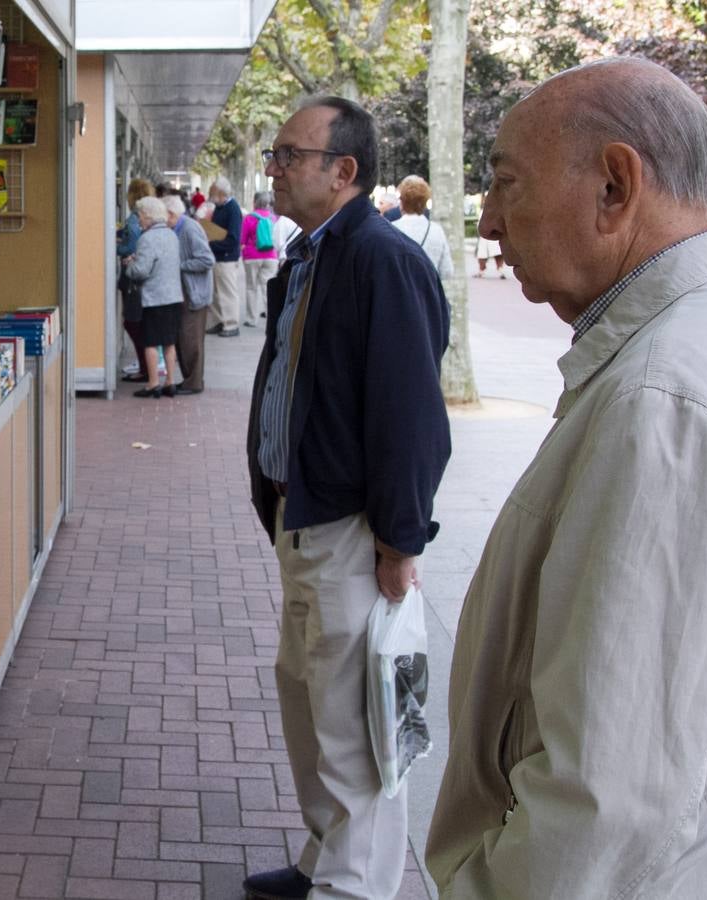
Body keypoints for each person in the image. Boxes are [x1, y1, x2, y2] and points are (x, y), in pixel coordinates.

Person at [426, 58, 707, 898]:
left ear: (616, 185)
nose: (489, 219)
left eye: (506, 181)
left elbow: (604, 796)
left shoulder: (668, 395)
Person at [243, 96, 450, 900]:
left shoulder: (381, 260)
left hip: (350, 530)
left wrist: (401, 541)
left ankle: (352, 887)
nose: (275, 168)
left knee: (350, 725)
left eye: (290, 154)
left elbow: (410, 417)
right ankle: (323, 861)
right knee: (308, 698)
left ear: (344, 171)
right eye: (276, 152)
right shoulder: (312, 255)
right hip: (305, 515)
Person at [120, 196, 182, 398]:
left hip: (155, 298)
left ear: (148, 215)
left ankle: (153, 383)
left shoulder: (146, 238)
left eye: (140, 216)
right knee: (169, 342)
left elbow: (141, 271)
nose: (139, 220)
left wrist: (129, 264)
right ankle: (170, 382)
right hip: (173, 296)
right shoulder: (171, 235)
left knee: (151, 342)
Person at [165, 194, 213, 395]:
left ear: (171, 214)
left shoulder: (189, 229)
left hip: (195, 293)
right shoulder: (178, 228)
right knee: (183, 337)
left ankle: (193, 382)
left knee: (191, 340)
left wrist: (180, 266)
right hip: (184, 292)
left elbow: (206, 259)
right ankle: (188, 380)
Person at [116, 177, 155, 383]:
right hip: (144, 277)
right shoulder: (148, 218)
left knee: (132, 323)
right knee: (138, 322)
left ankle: (145, 368)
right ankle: (146, 367)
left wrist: (112, 244)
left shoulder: (133, 219)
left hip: (131, 278)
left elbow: (129, 248)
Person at [390, 175, 452, 278]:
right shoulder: (436, 230)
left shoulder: (391, 229)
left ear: (402, 202)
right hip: (429, 292)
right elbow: (447, 271)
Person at [205, 177, 244, 337]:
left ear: (221, 193)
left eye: (213, 194)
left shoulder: (232, 209)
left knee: (227, 292)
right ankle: (218, 321)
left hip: (226, 257)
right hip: (217, 256)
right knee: (215, 292)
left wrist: (211, 244)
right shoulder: (220, 208)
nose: (211, 197)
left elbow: (233, 238)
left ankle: (231, 324)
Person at [240, 191, 281, 328]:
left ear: (255, 201)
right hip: (271, 257)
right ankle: (271, 317)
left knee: (251, 288)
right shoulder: (273, 218)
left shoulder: (249, 218)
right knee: (268, 287)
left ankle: (252, 319)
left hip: (252, 256)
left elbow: (242, 239)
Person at [473, 212, 506, 278]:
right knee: (496, 254)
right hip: (491, 237)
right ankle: (499, 270)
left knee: (483, 254)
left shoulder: (484, 211)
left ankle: (482, 271)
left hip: (488, 236)